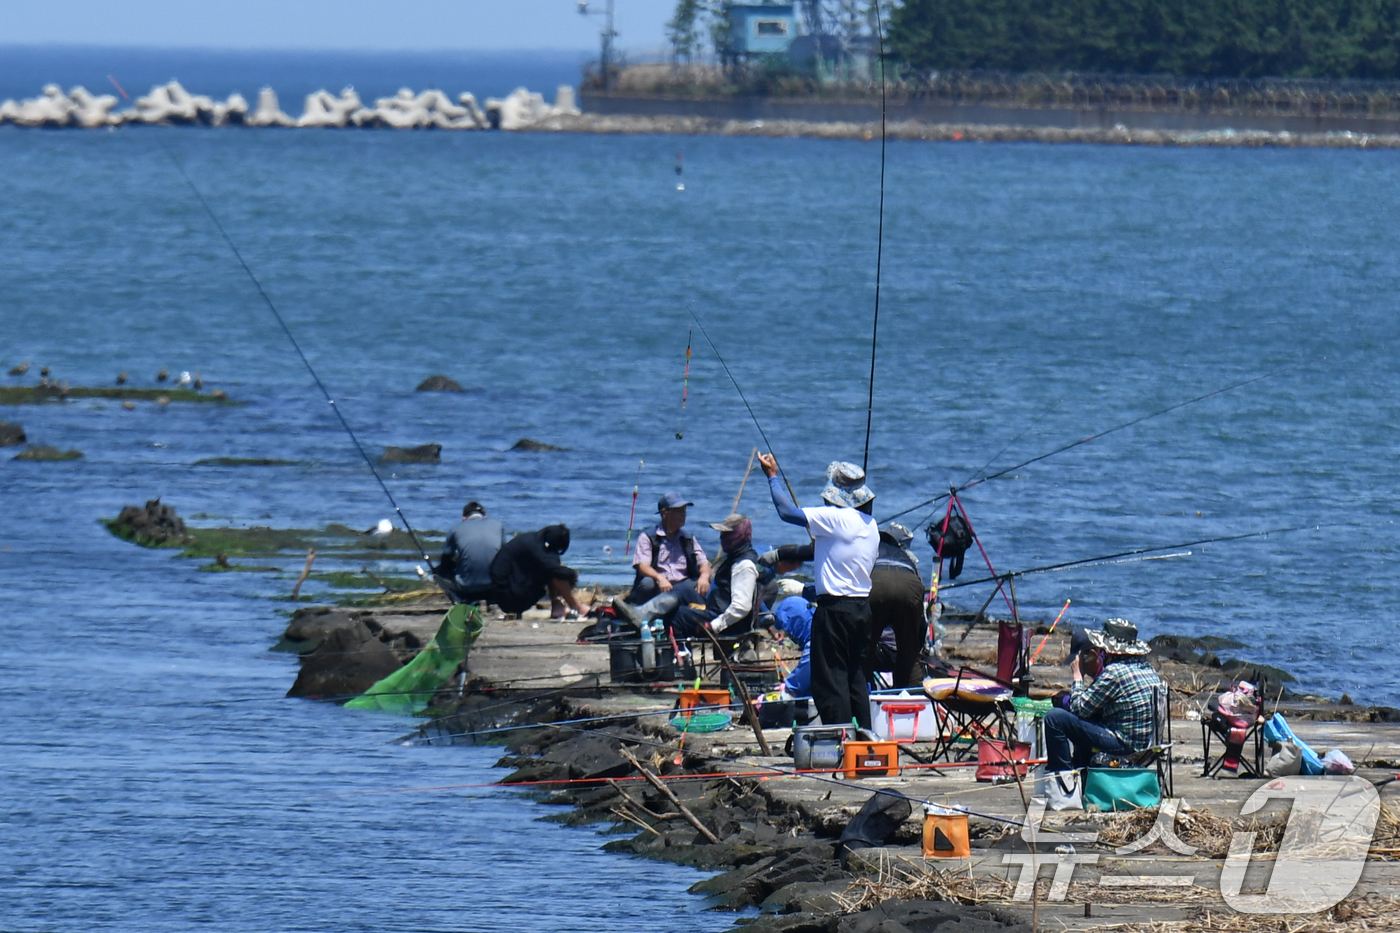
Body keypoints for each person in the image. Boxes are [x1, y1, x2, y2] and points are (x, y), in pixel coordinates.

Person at [760, 453, 879, 729]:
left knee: (830, 678)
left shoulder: (834, 518)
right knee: (855, 677)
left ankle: (838, 739)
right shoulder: (870, 526)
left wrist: (772, 477)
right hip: (862, 609)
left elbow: (787, 512)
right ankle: (864, 737)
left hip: (835, 611)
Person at [1043, 619, 1162, 772]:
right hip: (1146, 746)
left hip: (1124, 745)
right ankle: (1082, 771)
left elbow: (1079, 709)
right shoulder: (1147, 668)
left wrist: (1078, 676)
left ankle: (1063, 779)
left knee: (1055, 718)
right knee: (1087, 720)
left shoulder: (1115, 672)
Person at [668, 514, 761, 638]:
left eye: (726, 534)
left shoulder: (744, 565)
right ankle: (644, 615)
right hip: (718, 607)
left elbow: (741, 607)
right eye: (722, 534)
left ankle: (681, 653)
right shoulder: (734, 557)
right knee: (681, 589)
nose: (722, 538)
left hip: (731, 625)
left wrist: (714, 626)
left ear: (738, 536)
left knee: (678, 616)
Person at [866, 523, 926, 689]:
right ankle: (910, 700)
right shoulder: (906, 558)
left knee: (863, 652)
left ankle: (863, 700)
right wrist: (915, 647)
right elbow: (921, 621)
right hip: (909, 585)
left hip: (876, 583)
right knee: (909, 658)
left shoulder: (867, 550)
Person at [626, 492, 711, 605]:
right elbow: (643, 567)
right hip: (659, 584)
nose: (683, 515)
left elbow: (704, 564)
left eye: (684, 511)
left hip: (683, 584)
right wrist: (659, 578)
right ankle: (642, 614)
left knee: (710, 581)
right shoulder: (648, 537)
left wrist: (704, 577)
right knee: (647, 583)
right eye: (678, 511)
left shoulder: (688, 538)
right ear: (664, 513)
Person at [488, 524, 587, 620]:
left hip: (505, 591)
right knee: (555, 571)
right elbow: (554, 570)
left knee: (553, 567)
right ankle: (577, 607)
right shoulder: (535, 548)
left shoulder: (534, 540)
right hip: (509, 598)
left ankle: (557, 606)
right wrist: (573, 574)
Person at [437, 501, 506, 603]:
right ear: (485, 516)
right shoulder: (498, 526)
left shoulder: (455, 529)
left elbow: (445, 560)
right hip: (494, 584)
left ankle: (462, 598)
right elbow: (505, 555)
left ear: (464, 518)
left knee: (440, 572)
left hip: (467, 586)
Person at [771, 590, 814, 698]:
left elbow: (808, 665)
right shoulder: (818, 625)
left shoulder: (816, 641)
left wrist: (788, 687)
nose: (791, 637)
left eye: (790, 633)